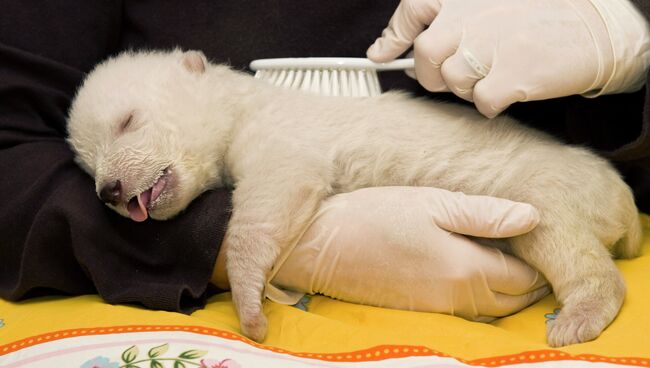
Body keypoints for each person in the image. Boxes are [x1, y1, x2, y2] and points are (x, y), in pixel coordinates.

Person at [0, 0, 647, 320]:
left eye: (129, 124)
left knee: (544, 209)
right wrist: (224, 242)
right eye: (94, 171)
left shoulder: (258, 120)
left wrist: (628, 29)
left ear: (194, 72)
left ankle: (590, 288)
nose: (108, 182)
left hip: (567, 194)